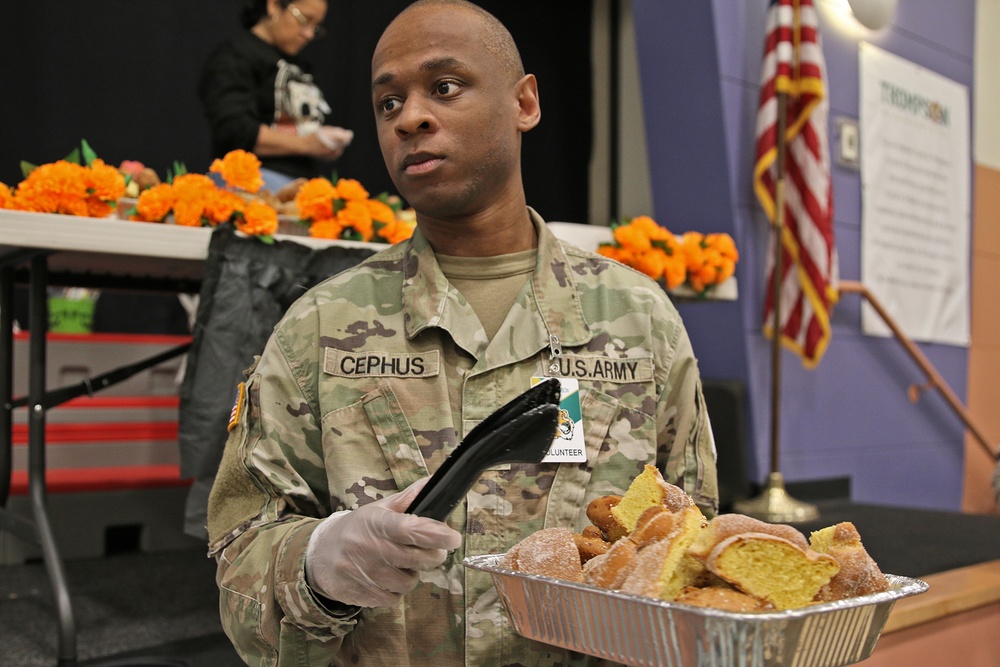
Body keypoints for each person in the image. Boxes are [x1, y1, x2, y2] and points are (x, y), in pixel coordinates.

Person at [206, 1, 718, 665]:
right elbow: (241, 559)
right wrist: (315, 567)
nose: (411, 117)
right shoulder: (321, 328)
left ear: (524, 102)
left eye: (444, 88)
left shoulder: (638, 321)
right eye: (389, 102)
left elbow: (689, 536)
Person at [197, 0, 353, 192]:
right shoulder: (235, 55)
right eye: (304, 20)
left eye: (316, 27)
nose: (309, 34)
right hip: (251, 179)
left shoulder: (302, 66)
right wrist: (308, 144)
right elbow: (233, 130)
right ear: (273, 5)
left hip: (302, 182)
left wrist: (324, 142)